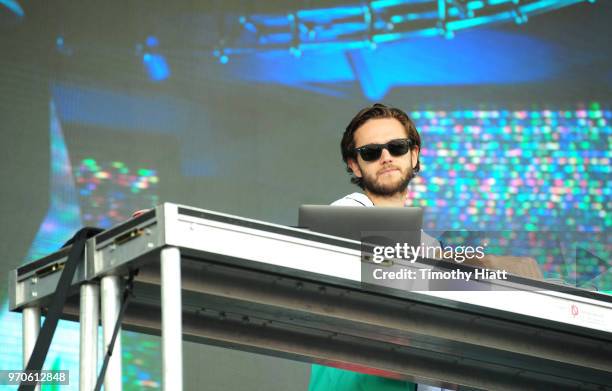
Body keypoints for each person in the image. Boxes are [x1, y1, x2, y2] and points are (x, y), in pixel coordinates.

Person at [309, 103, 446, 391]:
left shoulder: (429, 245)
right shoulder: (344, 213)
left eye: (396, 147)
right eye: (371, 152)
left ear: (414, 154)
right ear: (354, 165)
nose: (386, 157)